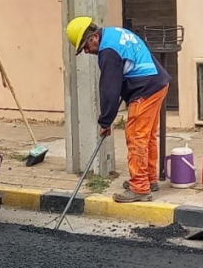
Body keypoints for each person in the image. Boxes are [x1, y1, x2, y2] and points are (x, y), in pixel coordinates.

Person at [65, 17, 171, 203]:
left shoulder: (107, 52)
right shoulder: (113, 34)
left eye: (85, 47)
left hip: (145, 88)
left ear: (93, 38)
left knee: (136, 136)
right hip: (157, 83)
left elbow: (109, 89)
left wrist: (105, 121)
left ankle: (140, 187)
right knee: (147, 136)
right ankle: (148, 179)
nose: (87, 52)